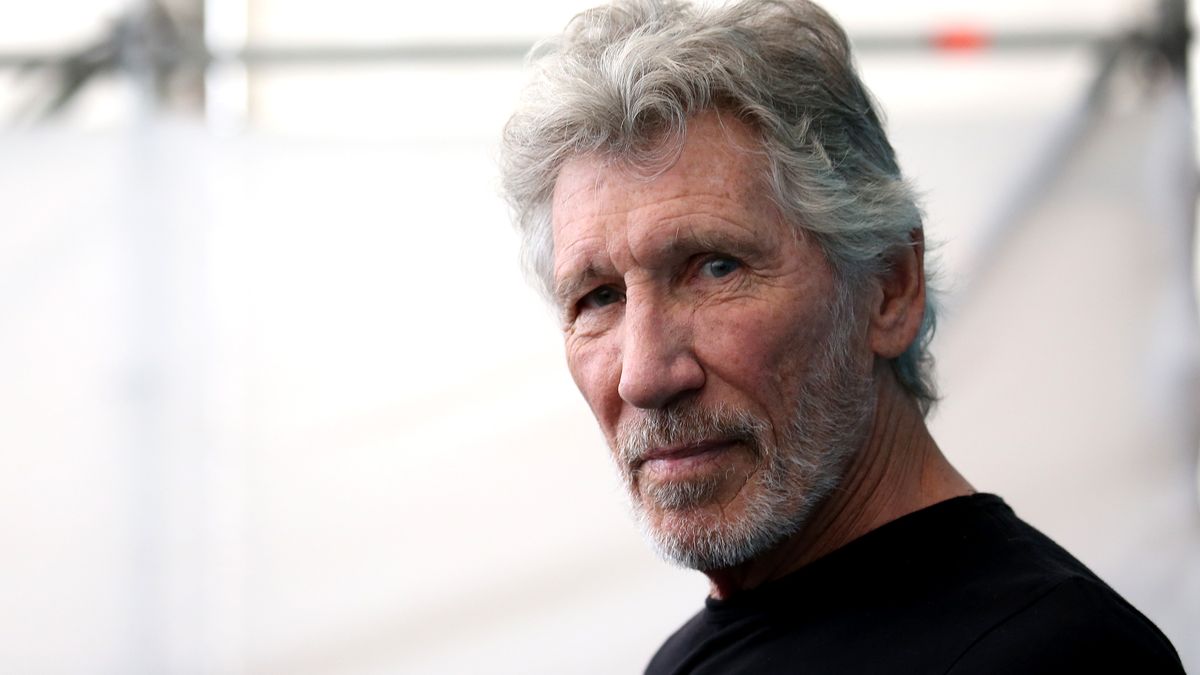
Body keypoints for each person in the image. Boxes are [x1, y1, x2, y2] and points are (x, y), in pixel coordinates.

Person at [499, 0, 1185, 672]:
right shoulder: (686, 657)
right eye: (599, 297)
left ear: (889, 288)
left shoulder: (1058, 654)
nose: (644, 374)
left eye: (715, 267)